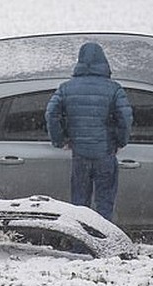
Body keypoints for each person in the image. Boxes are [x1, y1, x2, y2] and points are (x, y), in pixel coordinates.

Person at [45, 42, 133, 221]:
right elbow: (125, 117)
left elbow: (51, 113)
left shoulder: (66, 88)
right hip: (105, 154)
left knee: (79, 205)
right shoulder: (114, 88)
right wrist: (120, 141)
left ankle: (80, 243)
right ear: (104, 62)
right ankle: (103, 241)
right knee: (105, 203)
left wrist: (60, 139)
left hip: (80, 155)